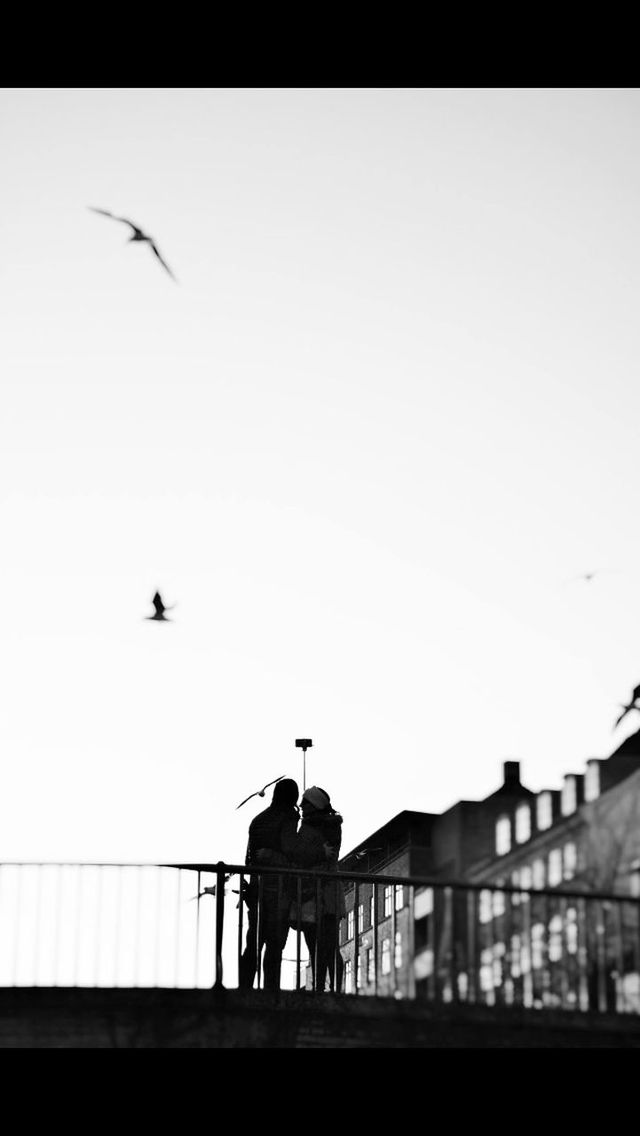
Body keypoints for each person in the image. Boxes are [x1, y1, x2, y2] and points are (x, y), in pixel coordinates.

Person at [238, 777, 300, 991]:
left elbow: (249, 858)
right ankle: (270, 992)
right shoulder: (289, 816)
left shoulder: (257, 820)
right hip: (279, 890)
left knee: (253, 942)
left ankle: (244, 989)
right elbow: (291, 850)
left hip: (256, 888)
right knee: (274, 946)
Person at [286, 785, 345, 993]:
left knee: (328, 946)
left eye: (305, 802)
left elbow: (306, 854)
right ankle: (322, 988)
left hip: (325, 894)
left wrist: (312, 852)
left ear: (315, 805)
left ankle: (330, 989)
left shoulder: (328, 827)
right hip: (309, 895)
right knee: (316, 947)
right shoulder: (307, 826)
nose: (301, 806)